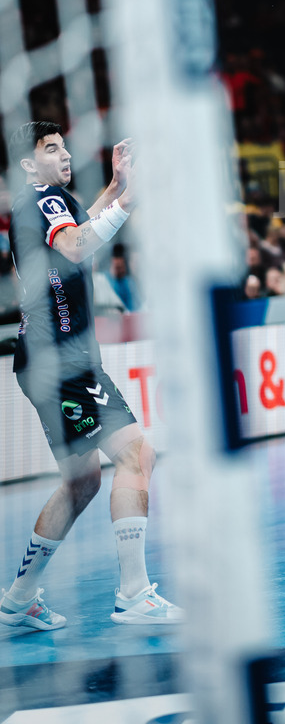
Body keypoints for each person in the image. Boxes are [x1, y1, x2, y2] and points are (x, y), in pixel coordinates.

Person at [0, 122, 182, 629]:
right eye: (50, 149)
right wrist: (131, 200)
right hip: (63, 358)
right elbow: (80, 245)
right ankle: (134, 595)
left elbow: (81, 230)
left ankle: (17, 600)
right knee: (136, 454)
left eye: (63, 147)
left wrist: (117, 187)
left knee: (81, 483)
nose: (64, 155)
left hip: (47, 357)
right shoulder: (41, 197)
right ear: (27, 165)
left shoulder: (45, 201)